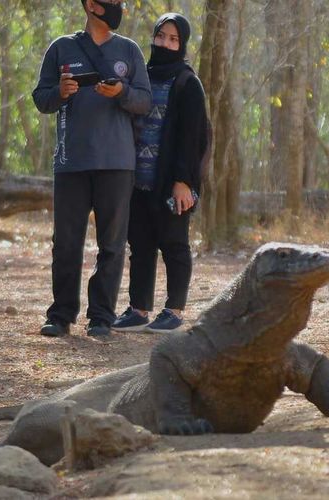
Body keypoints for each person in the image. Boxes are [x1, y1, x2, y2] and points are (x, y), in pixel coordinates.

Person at [33, 0, 152, 338]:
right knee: (67, 242)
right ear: (90, 5)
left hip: (117, 163)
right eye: (112, 1)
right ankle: (60, 315)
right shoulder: (61, 48)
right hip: (71, 162)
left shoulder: (128, 50)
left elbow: (144, 101)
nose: (118, 6)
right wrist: (61, 91)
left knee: (112, 244)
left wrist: (121, 92)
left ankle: (101, 316)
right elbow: (41, 98)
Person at [111, 13, 209, 333]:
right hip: (138, 179)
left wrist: (184, 182)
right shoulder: (143, 77)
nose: (165, 43)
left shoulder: (187, 82)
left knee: (174, 244)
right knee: (140, 245)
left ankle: (175, 310)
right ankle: (138, 309)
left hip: (172, 182)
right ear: (152, 38)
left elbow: (193, 138)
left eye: (173, 39)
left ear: (182, 44)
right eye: (161, 37)